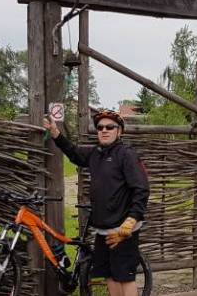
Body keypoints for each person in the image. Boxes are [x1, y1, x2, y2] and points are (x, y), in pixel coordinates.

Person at [44, 109, 149, 296]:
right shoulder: (96, 153)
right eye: (100, 127)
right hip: (103, 230)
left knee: (125, 277)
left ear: (120, 132)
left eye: (110, 127)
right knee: (109, 276)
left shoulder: (127, 154)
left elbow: (141, 189)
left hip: (123, 229)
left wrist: (131, 220)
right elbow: (74, 153)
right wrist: (55, 132)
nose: (104, 130)